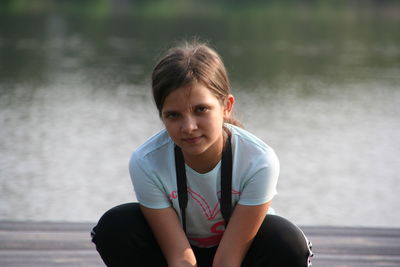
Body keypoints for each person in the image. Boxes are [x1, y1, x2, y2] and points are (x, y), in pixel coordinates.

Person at [91, 41, 313, 267]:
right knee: (116, 226)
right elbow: (180, 257)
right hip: (179, 253)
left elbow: (228, 261)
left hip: (239, 255)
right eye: (173, 115)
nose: (188, 127)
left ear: (227, 106)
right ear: (162, 116)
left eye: (201, 110)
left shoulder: (259, 161)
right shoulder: (146, 161)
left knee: (286, 241)